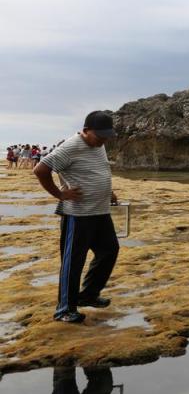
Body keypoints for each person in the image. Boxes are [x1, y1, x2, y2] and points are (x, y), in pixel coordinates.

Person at [33, 111, 120, 323]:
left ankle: (88, 295)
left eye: (107, 136)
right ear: (86, 130)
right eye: (100, 136)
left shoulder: (99, 144)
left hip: (100, 211)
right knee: (73, 262)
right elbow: (41, 169)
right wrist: (60, 194)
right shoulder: (71, 147)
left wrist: (108, 192)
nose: (103, 140)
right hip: (78, 215)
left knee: (109, 250)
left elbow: (98, 170)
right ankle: (64, 309)